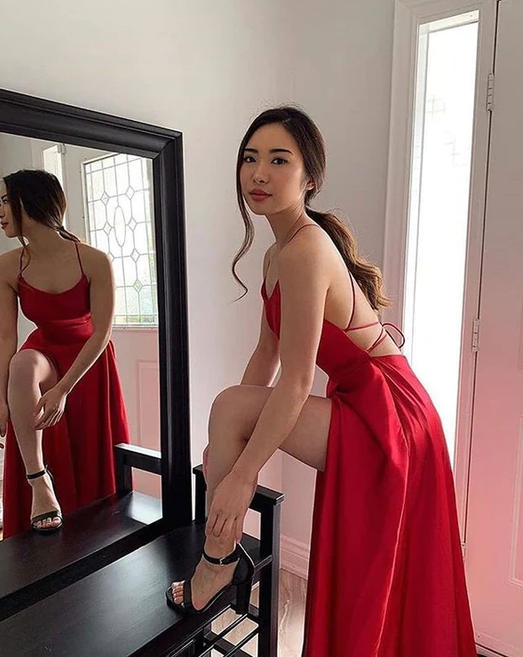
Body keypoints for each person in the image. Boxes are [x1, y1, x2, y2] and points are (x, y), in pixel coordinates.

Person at [165, 106, 476, 655]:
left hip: (392, 413)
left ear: (309, 178)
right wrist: (227, 444)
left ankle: (217, 565)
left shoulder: (307, 248)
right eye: (250, 159)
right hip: (365, 401)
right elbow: (265, 357)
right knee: (230, 411)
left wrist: (243, 473)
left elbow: (296, 379)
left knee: (231, 411)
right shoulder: (275, 254)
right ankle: (222, 559)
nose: (259, 173)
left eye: (278, 160)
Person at [0, 169, 130, 537]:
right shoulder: (4, 267)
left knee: (89, 458)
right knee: (22, 364)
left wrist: (63, 389)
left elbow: (101, 332)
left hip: (88, 359)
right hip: (45, 351)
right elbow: (5, 337)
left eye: (5, 201)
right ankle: (39, 481)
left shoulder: (94, 260)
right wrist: (1, 401)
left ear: (30, 202)